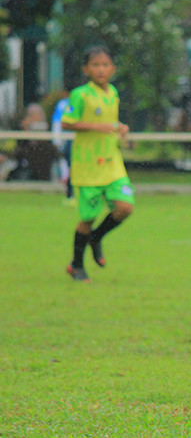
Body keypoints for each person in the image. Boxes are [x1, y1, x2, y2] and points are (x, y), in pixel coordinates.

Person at [59, 46, 135, 282]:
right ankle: (76, 265)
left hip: (112, 163)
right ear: (86, 69)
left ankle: (97, 237)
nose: (100, 69)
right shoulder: (80, 95)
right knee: (88, 218)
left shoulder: (112, 92)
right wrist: (96, 126)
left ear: (112, 68)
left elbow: (108, 122)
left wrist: (119, 127)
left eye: (105, 65)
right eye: (95, 65)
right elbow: (67, 123)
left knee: (125, 207)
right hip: (88, 166)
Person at [51, 92, 75, 203]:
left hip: (80, 141)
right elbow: (57, 122)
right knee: (70, 167)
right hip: (69, 141)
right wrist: (57, 140)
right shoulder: (63, 104)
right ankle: (71, 194)